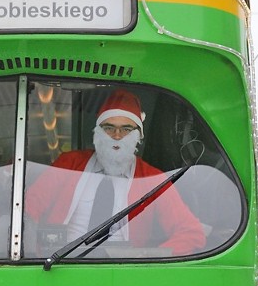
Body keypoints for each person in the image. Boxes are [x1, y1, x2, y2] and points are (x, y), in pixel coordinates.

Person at [25, 90, 206, 256]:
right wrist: (33, 252)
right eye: (109, 127)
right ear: (97, 133)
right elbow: (28, 208)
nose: (117, 136)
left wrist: (147, 263)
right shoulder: (69, 163)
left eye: (126, 129)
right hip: (61, 263)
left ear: (138, 135)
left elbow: (191, 232)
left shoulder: (152, 178)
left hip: (122, 271)